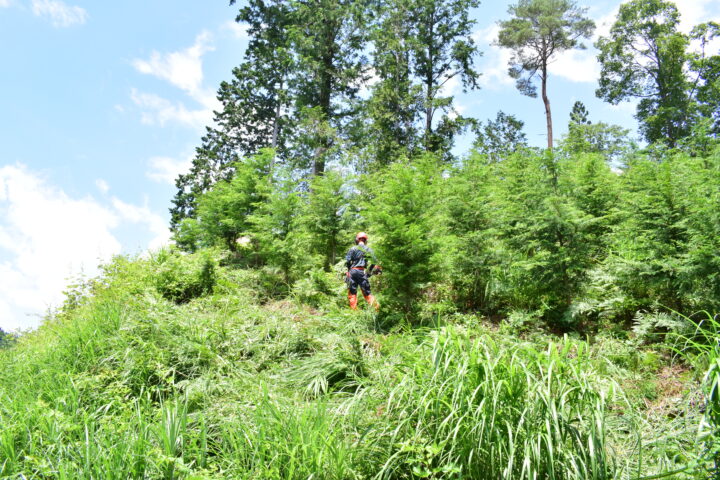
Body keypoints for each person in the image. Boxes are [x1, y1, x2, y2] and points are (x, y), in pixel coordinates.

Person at [345, 232, 380, 310]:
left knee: (352, 292)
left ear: (357, 240)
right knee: (367, 292)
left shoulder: (352, 248)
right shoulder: (368, 249)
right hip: (361, 272)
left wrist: (348, 270)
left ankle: (354, 312)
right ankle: (377, 310)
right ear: (365, 240)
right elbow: (374, 261)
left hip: (352, 271)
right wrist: (369, 271)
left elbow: (347, 261)